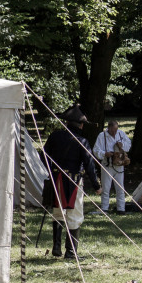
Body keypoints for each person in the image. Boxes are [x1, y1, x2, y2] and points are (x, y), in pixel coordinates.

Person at [42, 105, 100, 259]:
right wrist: (96, 185)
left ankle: (56, 247)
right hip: (74, 181)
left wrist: (52, 170)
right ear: (80, 125)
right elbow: (89, 164)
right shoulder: (82, 141)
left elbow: (44, 156)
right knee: (75, 214)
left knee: (58, 212)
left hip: (57, 180)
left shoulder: (55, 136)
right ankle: (70, 252)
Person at [93, 120, 131, 214]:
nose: (114, 132)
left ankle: (121, 209)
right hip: (107, 165)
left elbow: (128, 145)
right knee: (106, 188)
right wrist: (104, 154)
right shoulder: (102, 136)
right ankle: (105, 208)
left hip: (119, 165)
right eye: (112, 130)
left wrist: (122, 146)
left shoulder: (121, 133)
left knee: (120, 188)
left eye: (115, 130)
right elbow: (96, 150)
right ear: (108, 128)